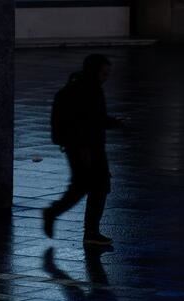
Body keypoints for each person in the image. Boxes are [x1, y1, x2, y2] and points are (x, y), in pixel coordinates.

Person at [43, 53, 122, 247]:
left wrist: (113, 122)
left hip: (84, 146)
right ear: (94, 71)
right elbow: (89, 121)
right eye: (104, 73)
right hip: (86, 147)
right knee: (95, 186)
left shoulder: (83, 87)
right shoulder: (88, 91)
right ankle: (89, 231)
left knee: (85, 186)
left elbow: (93, 119)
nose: (106, 78)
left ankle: (64, 218)